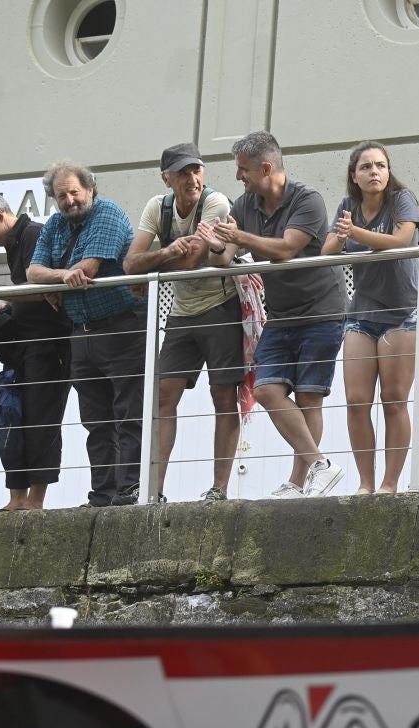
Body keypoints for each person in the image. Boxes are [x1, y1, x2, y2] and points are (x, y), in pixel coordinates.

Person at [204, 131, 347, 498]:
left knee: (309, 398)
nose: (238, 176)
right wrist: (216, 245)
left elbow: (286, 249)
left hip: (322, 311)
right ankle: (320, 465)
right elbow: (224, 258)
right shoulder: (244, 204)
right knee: (267, 390)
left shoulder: (308, 199)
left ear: (266, 168)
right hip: (280, 315)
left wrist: (239, 238)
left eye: (243, 169)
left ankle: (299, 483)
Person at [124, 143, 244, 503]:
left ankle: (219, 488)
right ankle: (154, 490)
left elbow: (192, 260)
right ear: (167, 179)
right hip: (181, 312)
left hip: (221, 307)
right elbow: (130, 264)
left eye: (196, 170)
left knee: (224, 395)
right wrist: (166, 253)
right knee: (163, 395)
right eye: (182, 173)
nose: (192, 179)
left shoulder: (216, 202)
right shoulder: (156, 207)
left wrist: (153, 264)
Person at [26, 160, 141, 508]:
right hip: (83, 332)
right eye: (61, 196)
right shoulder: (55, 224)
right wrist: (62, 277)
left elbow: (88, 268)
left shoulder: (108, 212)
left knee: (129, 413)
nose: (69, 200)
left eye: (74, 192)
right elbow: (33, 272)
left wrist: (58, 278)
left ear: (90, 189)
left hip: (123, 327)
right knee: (95, 420)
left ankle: (130, 490)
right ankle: (102, 494)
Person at [323, 141, 419, 495]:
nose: (374, 172)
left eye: (380, 165)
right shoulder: (347, 207)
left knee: (394, 399)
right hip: (362, 313)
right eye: (366, 167)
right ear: (354, 175)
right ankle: (366, 483)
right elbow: (327, 250)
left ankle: (389, 484)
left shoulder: (401, 199)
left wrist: (355, 233)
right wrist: (341, 236)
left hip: (401, 313)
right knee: (356, 401)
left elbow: (402, 240)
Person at [0, 191, 70, 511]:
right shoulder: (14, 243)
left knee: (41, 420)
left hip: (48, 344)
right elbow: (27, 296)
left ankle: (35, 500)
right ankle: (17, 498)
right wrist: (8, 307)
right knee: (15, 419)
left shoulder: (34, 234)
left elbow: (41, 290)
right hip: (25, 345)